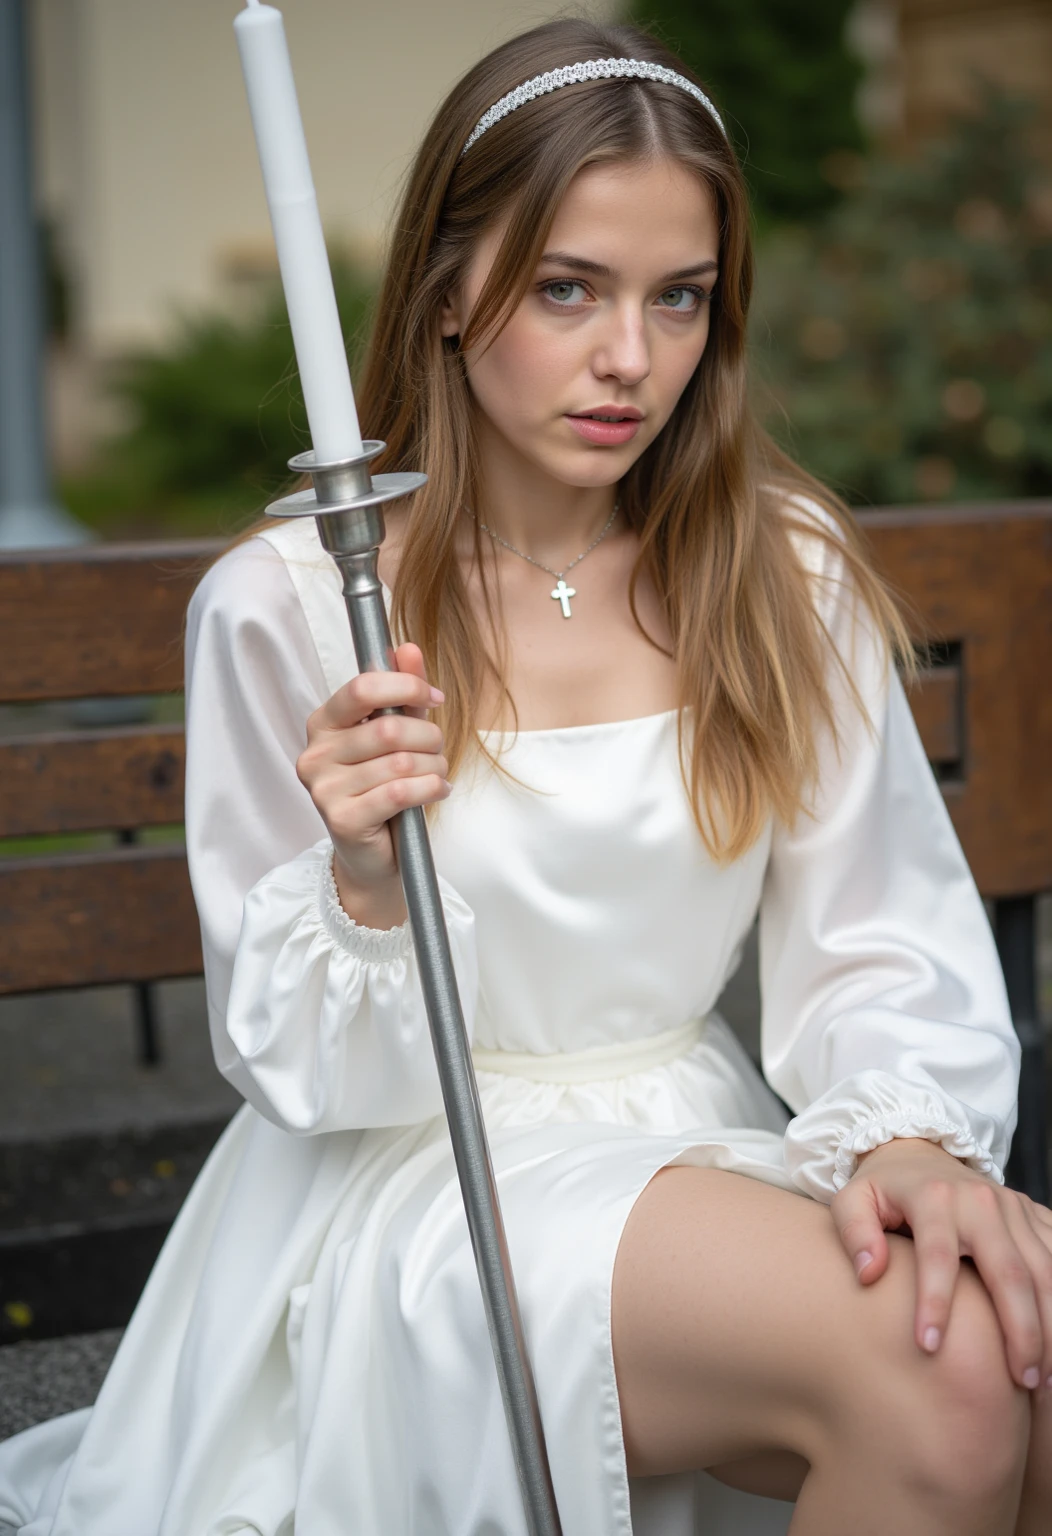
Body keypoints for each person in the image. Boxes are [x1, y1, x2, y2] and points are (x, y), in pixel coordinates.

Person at [2, 17, 1050, 1536]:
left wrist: (908, 1138)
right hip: (420, 1186)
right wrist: (365, 884)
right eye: (569, 289)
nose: (632, 358)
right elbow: (297, 1067)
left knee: (1016, 1335)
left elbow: (880, 933)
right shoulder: (299, 605)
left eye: (678, 298)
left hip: (702, 1139)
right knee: (946, 1368)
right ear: (445, 286)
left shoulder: (777, 574)